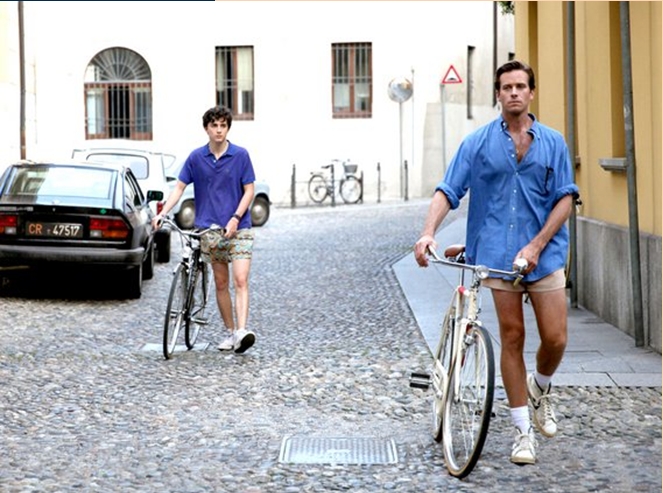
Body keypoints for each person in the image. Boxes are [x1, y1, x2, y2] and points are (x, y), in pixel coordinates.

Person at [414, 60, 579, 465]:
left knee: (555, 339)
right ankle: (523, 432)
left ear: (531, 92)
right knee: (512, 336)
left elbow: (566, 198)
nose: (514, 93)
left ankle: (540, 387)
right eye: (507, 87)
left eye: (521, 86)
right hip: (496, 255)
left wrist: (536, 246)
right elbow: (448, 189)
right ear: (498, 94)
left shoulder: (553, 142)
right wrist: (428, 231)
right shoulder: (477, 143)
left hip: (544, 254)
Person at [154, 105, 257, 354]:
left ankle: (242, 331)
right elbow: (179, 188)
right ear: (206, 129)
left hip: (239, 228)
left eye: (223, 126)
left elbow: (249, 191)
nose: (219, 130)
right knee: (221, 282)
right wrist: (162, 213)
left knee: (240, 279)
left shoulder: (240, 155)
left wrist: (235, 218)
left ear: (228, 128)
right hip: (209, 229)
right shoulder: (196, 158)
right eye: (214, 126)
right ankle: (231, 332)